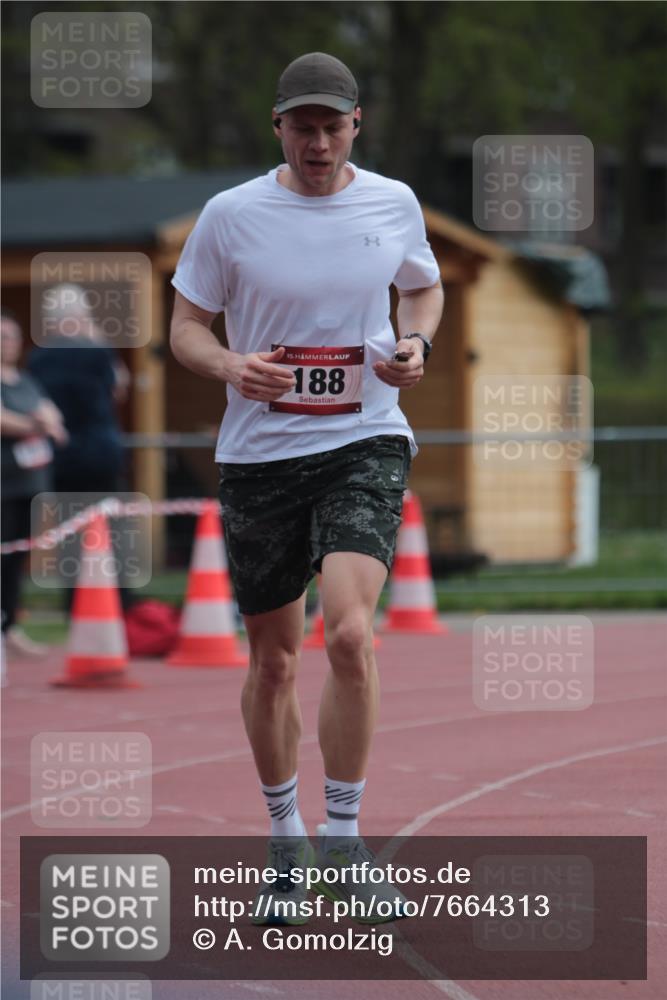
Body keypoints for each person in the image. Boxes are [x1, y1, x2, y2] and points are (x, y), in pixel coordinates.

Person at [170, 52, 444, 924]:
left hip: (364, 439)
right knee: (276, 659)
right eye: (303, 125)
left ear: (356, 124)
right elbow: (184, 326)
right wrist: (227, 363)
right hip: (259, 456)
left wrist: (415, 346)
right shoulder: (231, 215)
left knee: (352, 636)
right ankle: (285, 839)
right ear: (278, 127)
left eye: (333, 125)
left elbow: (424, 288)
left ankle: (346, 838)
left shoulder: (392, 202)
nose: (318, 141)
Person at [26, 284, 131, 611]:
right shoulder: (98, 353)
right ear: (80, 317)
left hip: (62, 455)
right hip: (100, 452)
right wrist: (95, 334)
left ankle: (77, 604)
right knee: (110, 532)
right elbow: (119, 387)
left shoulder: (38, 359)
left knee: (70, 534)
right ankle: (116, 602)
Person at [1, 309, 68, 657]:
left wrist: (47, 423)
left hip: (31, 484)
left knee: (15, 561)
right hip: (3, 485)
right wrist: (36, 425)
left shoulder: (25, 380)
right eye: (1, 337)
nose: (7, 344)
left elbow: (51, 412)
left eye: (11, 337)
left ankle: (9, 626)